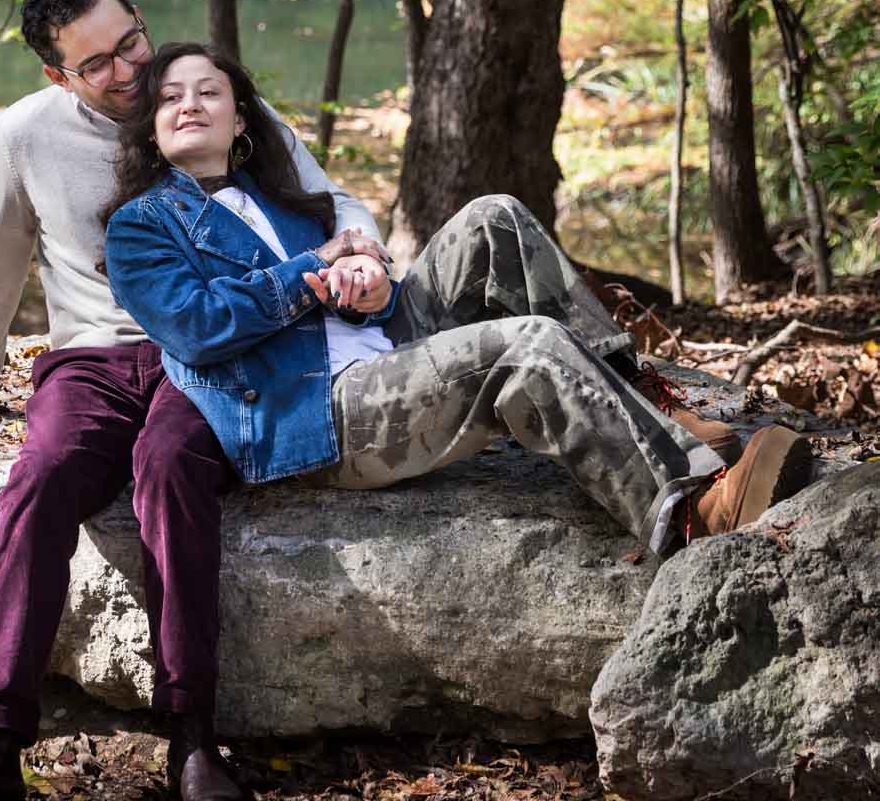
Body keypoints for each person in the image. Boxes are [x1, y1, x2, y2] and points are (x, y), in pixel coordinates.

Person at [0, 0, 381, 801]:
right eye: (98, 64)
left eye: (130, 41)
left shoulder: (204, 100)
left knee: (168, 471)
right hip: (94, 360)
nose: (128, 71)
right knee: (39, 484)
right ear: (57, 78)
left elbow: (329, 199)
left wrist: (363, 250)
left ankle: (191, 739)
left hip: (215, 347)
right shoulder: (26, 137)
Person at [102, 42, 812, 558]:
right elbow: (196, 329)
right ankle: (691, 513)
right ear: (153, 129)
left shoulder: (285, 204)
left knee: (493, 216)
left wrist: (370, 291)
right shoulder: (141, 225)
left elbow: (357, 302)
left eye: (207, 91)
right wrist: (314, 269)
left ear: (241, 120)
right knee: (525, 344)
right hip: (322, 415)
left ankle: (648, 405)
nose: (188, 104)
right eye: (168, 97)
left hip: (383, 352)